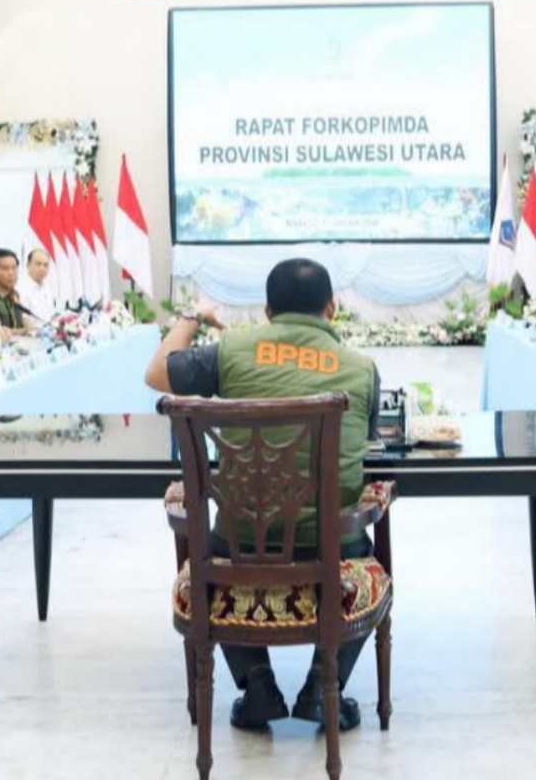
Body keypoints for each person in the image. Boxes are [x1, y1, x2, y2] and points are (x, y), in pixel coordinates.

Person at [144, 257, 381, 733]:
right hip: (331, 549)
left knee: (209, 554)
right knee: (364, 550)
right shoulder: (362, 369)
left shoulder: (229, 351)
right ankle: (322, 688)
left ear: (268, 311)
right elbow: (366, 448)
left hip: (236, 545)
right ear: (331, 308)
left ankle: (256, 686)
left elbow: (156, 374)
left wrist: (191, 318)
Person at [0, 249, 39, 331]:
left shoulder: (15, 295)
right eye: (5, 269)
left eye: (14, 268)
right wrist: (25, 331)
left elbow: (26, 321)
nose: (11, 273)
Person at [19, 249, 56, 320]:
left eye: (45, 265)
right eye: (38, 264)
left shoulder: (47, 287)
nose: (42, 268)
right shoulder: (21, 289)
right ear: (28, 265)